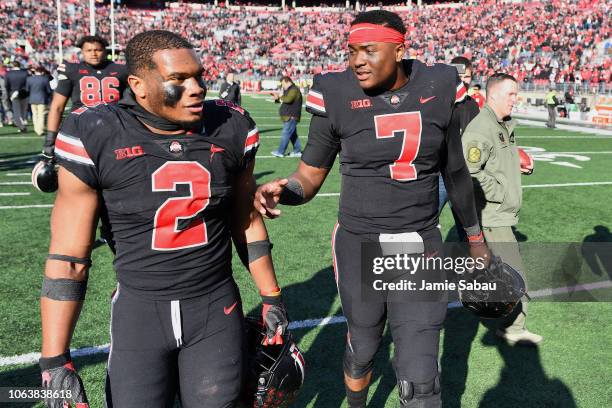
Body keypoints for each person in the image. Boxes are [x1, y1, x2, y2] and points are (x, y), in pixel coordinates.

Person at [255, 10, 492, 408]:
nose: (357, 60)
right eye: (351, 51)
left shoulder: (439, 84)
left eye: (369, 50)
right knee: (363, 345)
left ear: (400, 50)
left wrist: (476, 239)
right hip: (359, 240)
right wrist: (286, 190)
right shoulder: (335, 90)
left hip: (418, 242)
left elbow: (455, 170)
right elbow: (309, 176)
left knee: (420, 372)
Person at [39, 30, 289, 408]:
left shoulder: (231, 127)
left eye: (199, 76)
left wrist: (271, 298)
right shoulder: (96, 132)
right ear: (138, 85)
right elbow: (69, 258)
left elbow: (246, 219)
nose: (197, 88)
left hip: (214, 307)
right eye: (179, 80)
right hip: (140, 311)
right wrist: (54, 359)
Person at [461, 73, 543, 346]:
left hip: (499, 214)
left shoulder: (501, 124)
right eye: (511, 94)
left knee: (498, 272)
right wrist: (500, 191)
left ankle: (504, 319)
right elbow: (470, 172)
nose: (515, 99)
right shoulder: (480, 128)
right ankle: (513, 328)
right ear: (492, 95)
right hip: (492, 216)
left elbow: (495, 164)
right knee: (514, 274)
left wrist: (518, 167)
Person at [42, 35, 128, 158]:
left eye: (97, 50)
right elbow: (57, 107)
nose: (93, 54)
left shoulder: (121, 70)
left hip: (113, 128)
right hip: (80, 128)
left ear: (104, 50)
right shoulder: (72, 70)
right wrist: (50, 139)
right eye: (89, 50)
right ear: (82, 52)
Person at [271, 76, 303, 158]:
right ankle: (297, 151)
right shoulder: (289, 89)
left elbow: (288, 100)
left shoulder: (294, 89)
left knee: (285, 134)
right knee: (293, 135)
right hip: (289, 116)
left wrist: (280, 96)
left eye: (283, 84)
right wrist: (277, 99)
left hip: (291, 116)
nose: (282, 86)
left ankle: (280, 152)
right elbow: (284, 101)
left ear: (287, 81)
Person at [26, 66, 52, 136]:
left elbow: (27, 90)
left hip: (32, 99)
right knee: (41, 115)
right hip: (42, 99)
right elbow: (49, 90)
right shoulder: (45, 79)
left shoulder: (29, 79)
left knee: (35, 115)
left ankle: (36, 128)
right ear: (42, 72)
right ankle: (40, 130)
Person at [5, 60, 29, 132]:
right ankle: (23, 122)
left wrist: (9, 94)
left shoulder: (8, 74)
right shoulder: (25, 73)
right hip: (24, 92)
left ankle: (22, 126)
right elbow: (27, 84)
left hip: (13, 93)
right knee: (23, 110)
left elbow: (6, 85)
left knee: (16, 111)